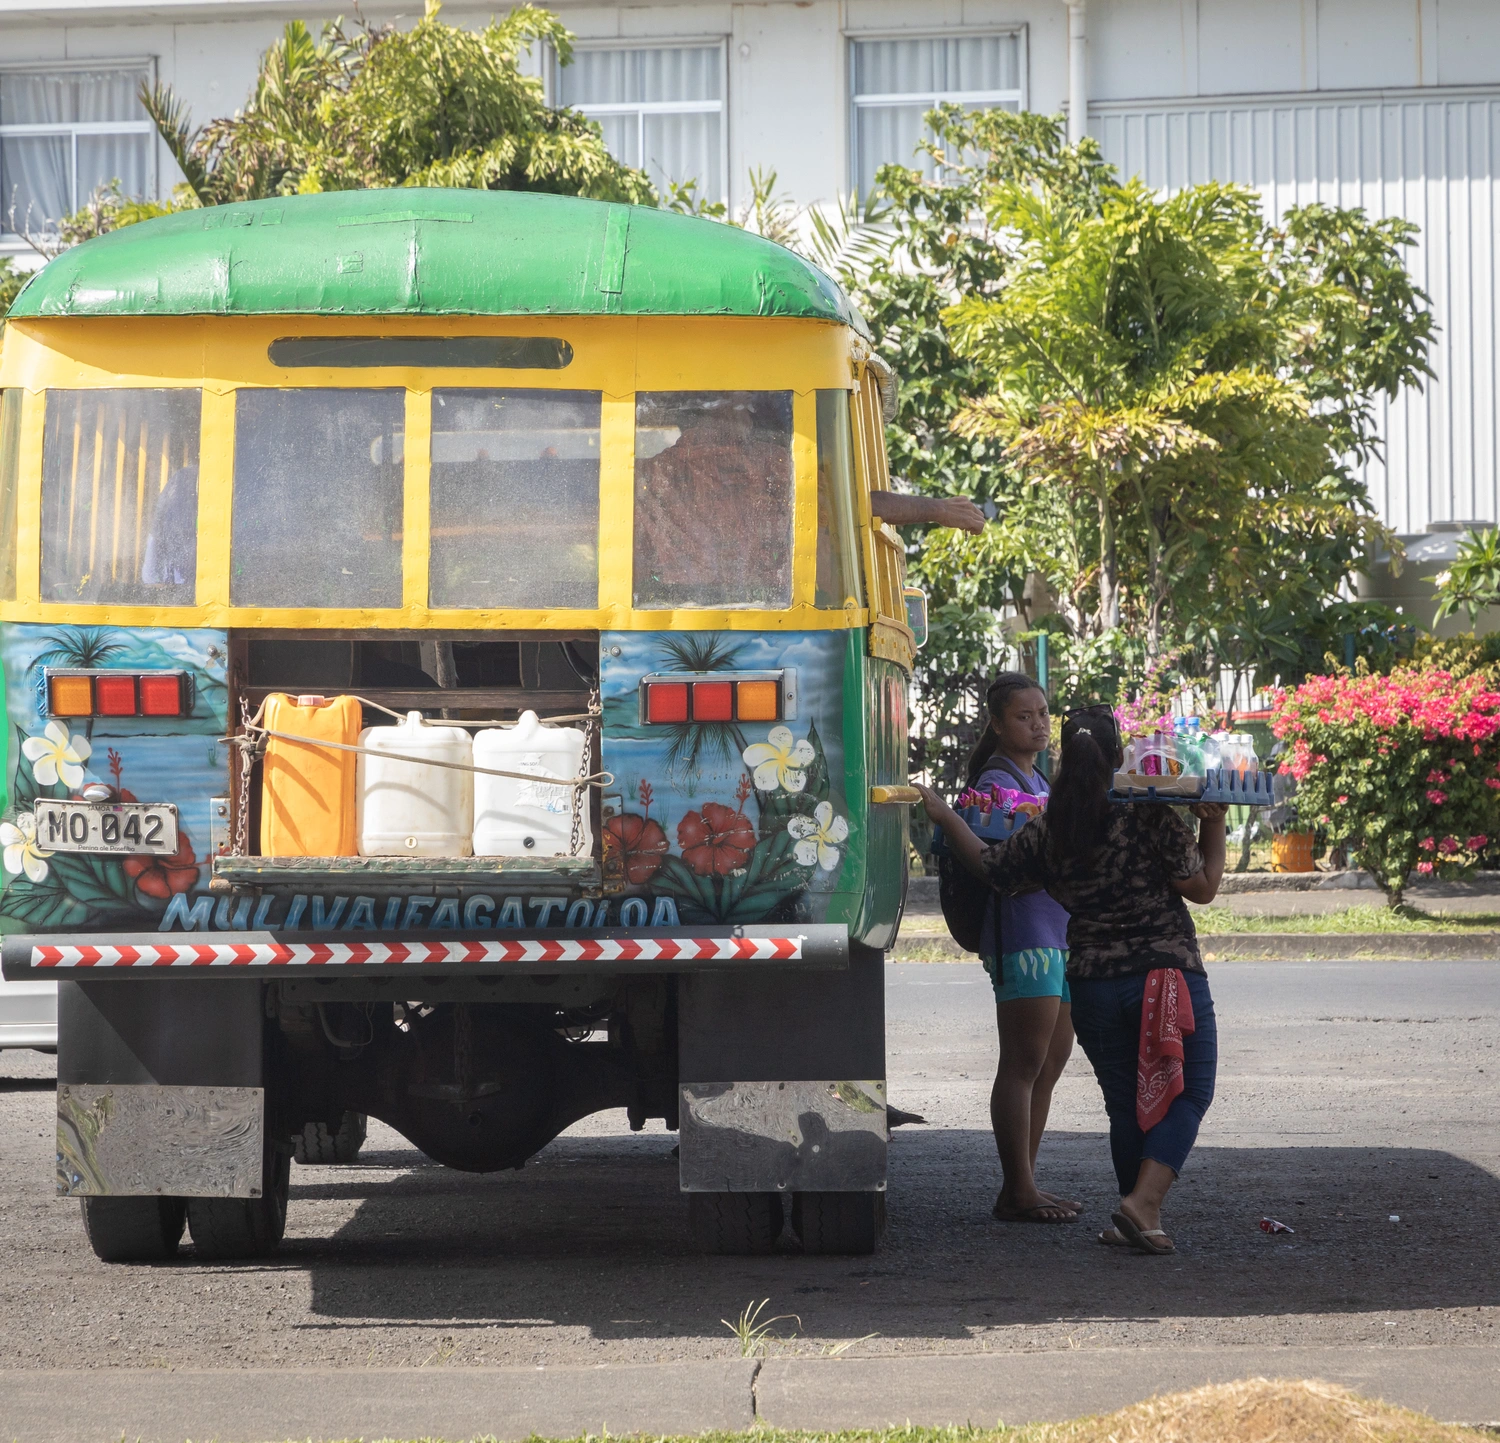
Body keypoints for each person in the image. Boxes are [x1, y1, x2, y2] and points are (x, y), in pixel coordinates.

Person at [918, 706, 1227, 1256]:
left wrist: (947, 819)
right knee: (1191, 1087)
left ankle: (1135, 1217)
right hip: (1164, 974)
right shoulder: (1147, 814)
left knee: (1124, 1101)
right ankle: (1145, 1202)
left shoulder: (1051, 827)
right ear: (1116, 756)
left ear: (1063, 756)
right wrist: (1214, 821)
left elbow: (991, 868)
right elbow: (1201, 887)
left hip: (1090, 982)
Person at [965, 672, 1078, 1225]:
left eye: (1043, 713)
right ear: (997, 724)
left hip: (1058, 932)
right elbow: (996, 862)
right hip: (1023, 934)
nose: (1038, 724)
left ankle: (1024, 1184)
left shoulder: (1040, 780)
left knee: (1051, 1062)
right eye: (1023, 716)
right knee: (1024, 1063)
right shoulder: (995, 781)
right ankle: (1018, 1187)